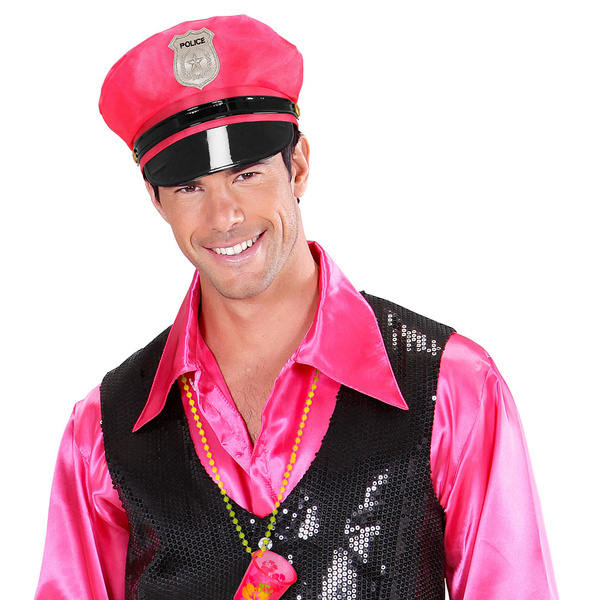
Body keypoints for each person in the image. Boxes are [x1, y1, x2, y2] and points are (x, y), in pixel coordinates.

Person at [35, 15, 558, 600]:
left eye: (247, 174)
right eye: (189, 187)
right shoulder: (102, 431)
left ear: (299, 166)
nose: (224, 216)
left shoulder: (453, 388)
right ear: (156, 200)